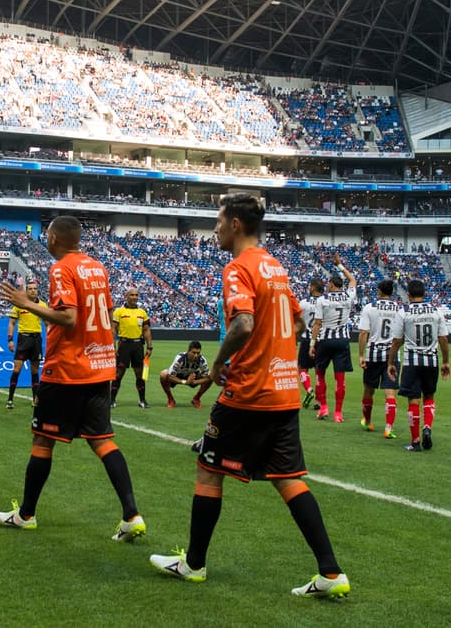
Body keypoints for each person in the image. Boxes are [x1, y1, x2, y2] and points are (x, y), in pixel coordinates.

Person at [149, 193, 349, 598]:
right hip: (284, 392)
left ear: (235, 224)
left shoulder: (239, 268)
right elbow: (295, 316)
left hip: (248, 393)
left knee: (209, 470)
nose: (216, 228)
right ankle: (330, 573)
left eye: (219, 221)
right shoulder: (275, 267)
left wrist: (221, 363)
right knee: (288, 479)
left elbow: (241, 323)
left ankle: (194, 564)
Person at [0, 216, 145, 540]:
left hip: (67, 369)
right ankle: (132, 515)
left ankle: (26, 514)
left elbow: (68, 317)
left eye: (47, 234)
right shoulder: (97, 268)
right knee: (102, 440)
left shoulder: (62, 268)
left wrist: (27, 304)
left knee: (42, 440)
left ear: (53, 238)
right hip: (98, 366)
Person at [387, 280, 450, 452]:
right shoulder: (436, 311)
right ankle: (427, 427)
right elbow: (443, 339)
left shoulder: (404, 312)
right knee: (429, 397)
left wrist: (391, 362)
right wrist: (445, 361)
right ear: (425, 293)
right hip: (431, 361)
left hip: (412, 362)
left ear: (408, 294)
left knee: (413, 400)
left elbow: (397, 341)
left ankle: (415, 441)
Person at [309, 256, 357, 422]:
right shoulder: (348, 297)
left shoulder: (323, 299)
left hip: (325, 340)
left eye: (329, 283)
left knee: (320, 374)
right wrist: (340, 265)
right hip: (342, 340)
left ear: (331, 285)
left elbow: (317, 323)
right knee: (340, 378)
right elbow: (353, 280)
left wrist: (312, 344)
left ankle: (323, 408)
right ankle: (338, 413)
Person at [356, 279, 402, 439]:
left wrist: (361, 355)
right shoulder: (398, 309)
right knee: (390, 393)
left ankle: (367, 421)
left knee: (369, 389)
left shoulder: (370, 308)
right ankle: (388, 428)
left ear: (380, 291)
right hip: (392, 355)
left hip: (373, 355)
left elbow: (363, 333)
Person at [6, 279, 46, 409]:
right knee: (16, 370)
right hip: (23, 339)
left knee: (35, 371)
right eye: (30, 289)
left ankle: (35, 399)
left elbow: (47, 323)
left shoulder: (43, 305)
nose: (33, 291)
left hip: (36, 339)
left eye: (35, 288)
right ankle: (10, 399)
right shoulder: (19, 304)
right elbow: (12, 323)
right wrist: (10, 340)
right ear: (26, 291)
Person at [110, 287, 152, 408]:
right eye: (132, 295)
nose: (134, 297)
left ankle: (142, 400)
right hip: (124, 345)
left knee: (140, 374)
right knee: (118, 374)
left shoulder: (142, 312)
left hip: (138, 345)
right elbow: (113, 330)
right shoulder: (119, 312)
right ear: (126, 296)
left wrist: (150, 347)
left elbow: (147, 330)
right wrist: (113, 347)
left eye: (136, 295)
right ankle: (112, 400)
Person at [159, 341, 213, 408]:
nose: (196, 355)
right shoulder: (180, 359)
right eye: (193, 352)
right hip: (178, 376)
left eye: (198, 353)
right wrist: (185, 382)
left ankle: (196, 398)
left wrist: (195, 382)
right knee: (163, 374)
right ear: (188, 351)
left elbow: (208, 377)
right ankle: (171, 399)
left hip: (193, 376)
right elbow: (170, 376)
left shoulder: (202, 360)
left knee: (211, 375)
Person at [296, 279, 324, 409]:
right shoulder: (325, 303)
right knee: (320, 371)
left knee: (302, 368)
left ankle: (308, 390)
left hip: (307, 339)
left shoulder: (304, 303)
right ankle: (319, 401)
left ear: (313, 288)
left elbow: (298, 321)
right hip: (321, 339)